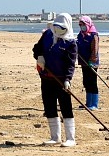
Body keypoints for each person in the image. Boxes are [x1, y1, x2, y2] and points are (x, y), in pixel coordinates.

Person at [32, 13, 79, 146]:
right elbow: (37, 48)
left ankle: (70, 138)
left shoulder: (71, 43)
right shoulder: (47, 35)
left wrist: (67, 80)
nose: (58, 31)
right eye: (56, 27)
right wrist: (39, 57)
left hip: (61, 79)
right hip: (46, 77)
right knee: (49, 105)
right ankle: (55, 137)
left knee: (66, 106)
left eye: (62, 28)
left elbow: (71, 64)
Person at [77, 15, 101, 110]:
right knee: (86, 82)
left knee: (92, 82)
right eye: (80, 25)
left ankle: (94, 104)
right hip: (83, 61)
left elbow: (95, 49)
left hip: (91, 62)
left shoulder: (93, 35)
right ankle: (88, 102)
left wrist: (92, 59)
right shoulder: (81, 34)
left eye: (82, 25)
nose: (81, 27)